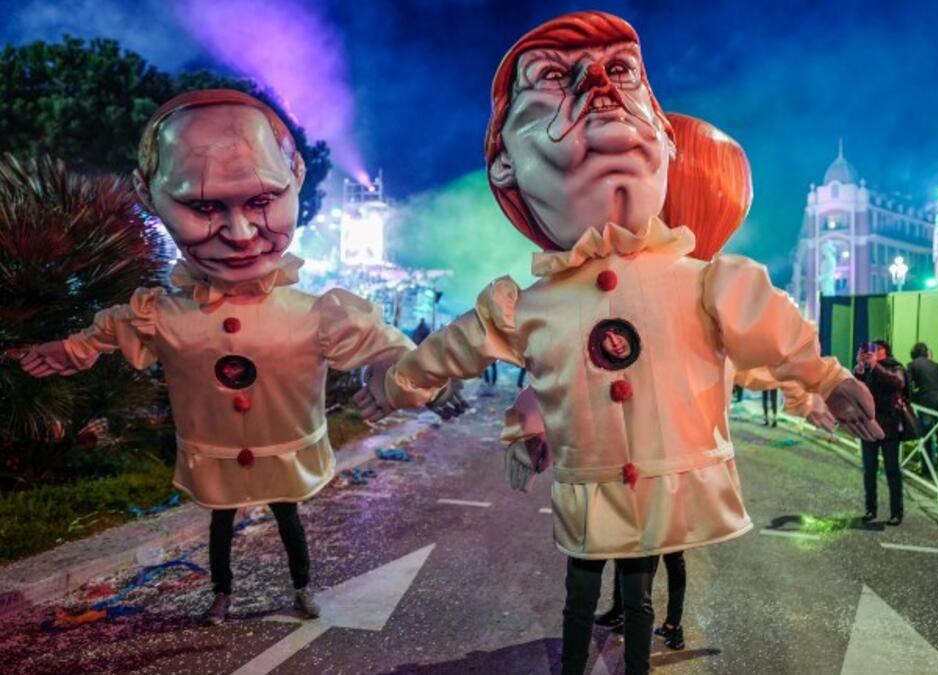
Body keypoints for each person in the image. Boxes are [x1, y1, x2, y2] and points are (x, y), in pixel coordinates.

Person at [355, 12, 882, 675]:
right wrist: (392, 384)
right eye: (553, 77)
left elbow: (767, 325)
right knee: (582, 597)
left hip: (657, 494)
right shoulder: (532, 306)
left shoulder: (703, 282)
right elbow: (451, 352)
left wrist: (829, 377)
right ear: (505, 168)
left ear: (664, 137)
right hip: (590, 492)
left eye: (622, 70)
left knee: (636, 596)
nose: (598, 85)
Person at [18, 90, 425, 625]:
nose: (239, 234)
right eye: (203, 206)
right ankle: (221, 593)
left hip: (285, 455)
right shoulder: (161, 314)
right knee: (220, 527)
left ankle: (302, 587)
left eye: (261, 200)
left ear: (296, 175)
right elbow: (111, 330)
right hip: (217, 456)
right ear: (148, 194)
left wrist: (393, 375)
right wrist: (66, 350)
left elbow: (388, 346)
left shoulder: (318, 313)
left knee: (288, 522)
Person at [855, 339, 908, 526]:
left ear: (883, 351)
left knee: (892, 471)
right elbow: (857, 390)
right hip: (869, 426)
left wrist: (876, 366)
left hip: (889, 428)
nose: (870, 353)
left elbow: (897, 383)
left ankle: (896, 513)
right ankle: (870, 509)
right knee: (869, 470)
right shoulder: (869, 369)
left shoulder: (896, 367)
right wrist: (860, 369)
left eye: (873, 350)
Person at [907, 342, 938, 469]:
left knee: (925, 433)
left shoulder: (912, 365)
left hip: (925, 404)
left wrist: (913, 399)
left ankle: (926, 467)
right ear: (926, 353)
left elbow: (907, 386)